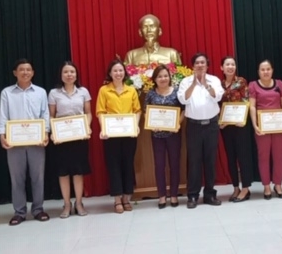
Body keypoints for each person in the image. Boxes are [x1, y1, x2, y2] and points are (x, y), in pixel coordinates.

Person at [0, 58, 50, 226]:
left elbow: (45, 114)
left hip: (37, 142)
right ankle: (19, 212)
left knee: (38, 177)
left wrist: (46, 133)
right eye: (21, 69)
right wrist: (2, 134)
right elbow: (3, 115)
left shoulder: (40, 92)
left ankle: (38, 209)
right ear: (15, 73)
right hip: (15, 143)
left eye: (28, 69)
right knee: (17, 179)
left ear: (33, 72)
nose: (25, 72)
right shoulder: (7, 93)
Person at [177, 53, 225, 209]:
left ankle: (210, 194)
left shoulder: (214, 80)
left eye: (203, 62)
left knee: (210, 161)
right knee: (194, 161)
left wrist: (206, 85)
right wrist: (193, 84)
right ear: (193, 66)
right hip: (194, 126)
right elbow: (183, 99)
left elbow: (218, 97)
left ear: (207, 65)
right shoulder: (185, 81)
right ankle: (192, 195)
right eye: (197, 63)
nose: (200, 65)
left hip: (211, 125)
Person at [96, 59, 142, 213]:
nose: (118, 73)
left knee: (128, 164)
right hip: (111, 135)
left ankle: (127, 198)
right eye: (115, 70)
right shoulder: (104, 90)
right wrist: (104, 129)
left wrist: (136, 126)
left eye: (121, 70)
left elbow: (137, 110)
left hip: (129, 134)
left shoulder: (131, 90)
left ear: (125, 73)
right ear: (110, 73)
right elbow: (101, 111)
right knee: (113, 165)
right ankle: (117, 200)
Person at [48, 61, 92, 218]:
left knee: (78, 172)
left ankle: (79, 203)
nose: (69, 75)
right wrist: (53, 132)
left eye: (72, 72)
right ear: (61, 75)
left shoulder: (83, 91)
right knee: (63, 173)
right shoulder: (54, 93)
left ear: (76, 74)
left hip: (79, 136)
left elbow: (88, 113)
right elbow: (51, 115)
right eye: (66, 72)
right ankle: (66, 204)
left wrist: (87, 127)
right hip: (62, 138)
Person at [145, 64, 184, 209]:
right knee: (159, 165)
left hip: (174, 134)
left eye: (165, 76)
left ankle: (173, 194)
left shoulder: (177, 92)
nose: (163, 79)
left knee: (174, 164)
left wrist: (178, 123)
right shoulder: (150, 94)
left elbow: (184, 110)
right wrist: (151, 123)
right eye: (160, 76)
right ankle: (161, 195)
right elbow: (145, 111)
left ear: (170, 77)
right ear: (155, 79)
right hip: (157, 135)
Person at [248, 60, 282, 200]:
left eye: (268, 69)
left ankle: (278, 185)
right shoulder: (253, 85)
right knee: (263, 156)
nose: (266, 72)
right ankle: (266, 186)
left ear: (272, 70)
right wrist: (255, 125)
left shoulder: (279, 84)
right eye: (262, 69)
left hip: (279, 126)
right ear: (258, 72)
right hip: (262, 127)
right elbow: (252, 106)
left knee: (279, 156)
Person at [219, 56, 253, 203]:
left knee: (243, 156)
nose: (230, 67)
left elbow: (246, 100)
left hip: (240, 125)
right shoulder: (219, 85)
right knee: (231, 157)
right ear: (222, 68)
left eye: (233, 64)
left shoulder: (241, 81)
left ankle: (245, 188)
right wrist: (220, 121)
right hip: (226, 126)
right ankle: (235, 187)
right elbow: (217, 105)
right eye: (227, 64)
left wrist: (242, 118)